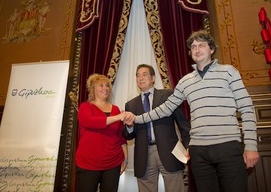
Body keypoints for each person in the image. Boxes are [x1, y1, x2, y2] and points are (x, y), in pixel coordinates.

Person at [128, 30, 259, 192]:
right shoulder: (185, 82)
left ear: (211, 49)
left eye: (201, 45)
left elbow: (246, 108)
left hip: (228, 146)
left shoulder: (229, 72)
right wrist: (136, 118)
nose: (197, 50)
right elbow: (164, 109)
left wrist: (251, 145)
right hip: (198, 151)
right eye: (193, 47)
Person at [123, 64, 190, 192]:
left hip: (170, 151)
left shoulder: (168, 95)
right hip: (144, 154)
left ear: (153, 78)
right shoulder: (130, 104)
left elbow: (183, 124)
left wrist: (188, 146)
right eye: (137, 75)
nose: (140, 78)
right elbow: (128, 135)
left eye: (144, 74)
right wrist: (130, 126)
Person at [75, 73, 131, 192]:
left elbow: (121, 136)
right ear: (93, 89)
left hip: (113, 162)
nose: (105, 88)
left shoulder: (115, 109)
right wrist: (117, 117)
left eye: (107, 86)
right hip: (88, 163)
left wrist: (125, 158)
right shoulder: (85, 107)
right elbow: (92, 122)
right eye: (101, 85)